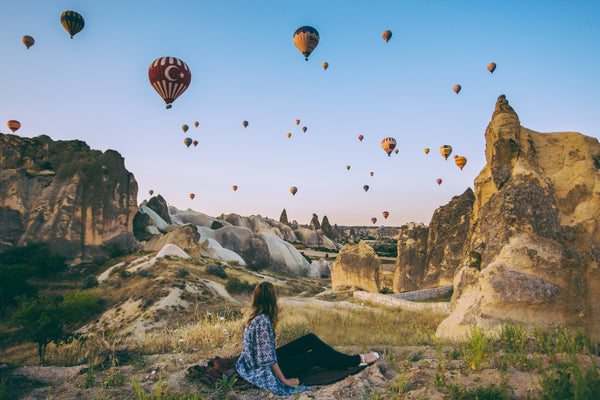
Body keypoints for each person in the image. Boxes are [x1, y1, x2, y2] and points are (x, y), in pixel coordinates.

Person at [236, 281, 379, 396]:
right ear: (272, 299)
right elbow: (268, 360)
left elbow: (264, 353)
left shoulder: (254, 315)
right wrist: (284, 380)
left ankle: (343, 360)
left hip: (255, 363)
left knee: (309, 339)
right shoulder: (262, 322)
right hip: (265, 370)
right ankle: (355, 360)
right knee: (313, 357)